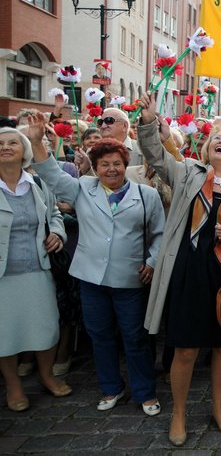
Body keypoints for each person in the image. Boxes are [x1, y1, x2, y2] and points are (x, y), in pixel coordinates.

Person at [136, 94, 221, 446]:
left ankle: (219, 407)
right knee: (187, 349)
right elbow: (155, 154)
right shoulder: (188, 173)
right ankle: (178, 414)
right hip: (189, 271)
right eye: (215, 139)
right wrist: (148, 123)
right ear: (206, 150)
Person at [28, 114, 165, 416]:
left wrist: (153, 261)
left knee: (135, 338)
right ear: (95, 167)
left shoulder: (147, 195)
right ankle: (110, 387)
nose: (111, 169)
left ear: (125, 165)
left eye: (117, 163)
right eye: (104, 164)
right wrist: (38, 142)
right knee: (100, 336)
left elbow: (159, 234)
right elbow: (51, 175)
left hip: (130, 279)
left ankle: (145, 392)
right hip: (91, 280)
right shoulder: (82, 188)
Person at [0, 127, 72, 412]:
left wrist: (57, 233)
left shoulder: (38, 183)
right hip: (4, 274)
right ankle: (13, 385)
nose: (5, 147)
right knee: (5, 332)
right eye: (0, 143)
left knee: (45, 327)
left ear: (24, 149)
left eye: (12, 142)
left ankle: (46, 375)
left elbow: (55, 213)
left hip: (38, 269)